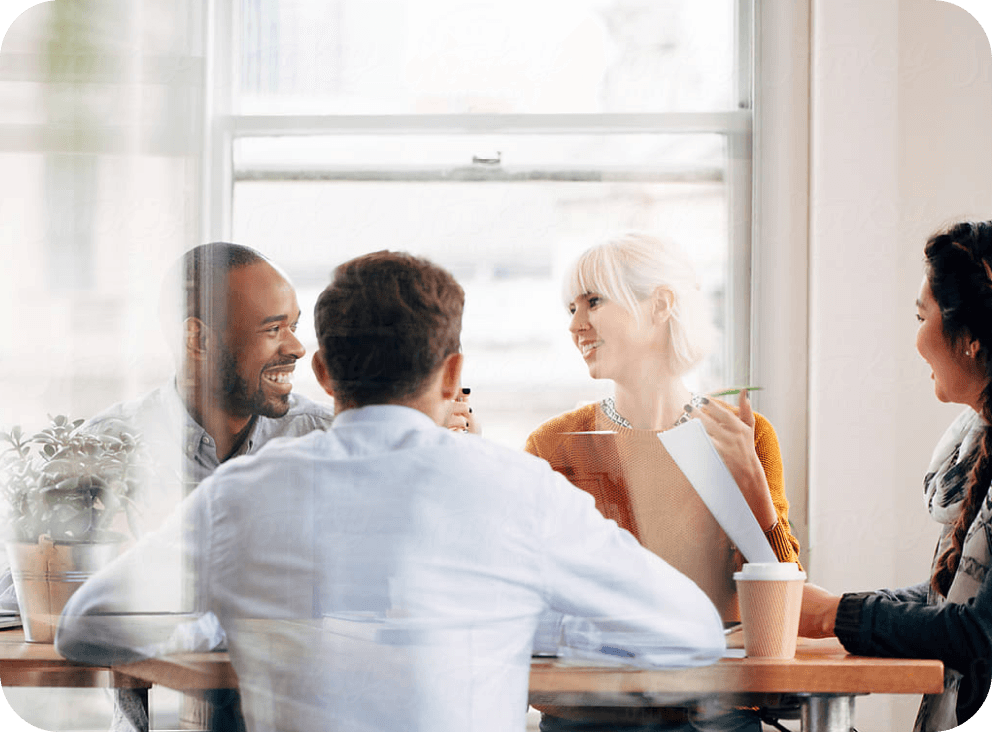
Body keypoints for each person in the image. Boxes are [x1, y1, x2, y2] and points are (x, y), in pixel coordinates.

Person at [56, 250, 726, 732]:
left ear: (322, 369)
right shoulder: (517, 489)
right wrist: (530, 626)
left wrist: (229, 619)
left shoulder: (239, 496)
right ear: (451, 371)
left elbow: (85, 628)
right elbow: (693, 634)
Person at [524, 232, 801, 731]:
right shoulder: (554, 445)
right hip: (589, 713)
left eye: (593, 301)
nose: (574, 324)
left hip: (714, 711)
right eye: (570, 307)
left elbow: (780, 603)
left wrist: (750, 483)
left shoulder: (744, 434)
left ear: (660, 306)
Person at [801, 220, 992, 732]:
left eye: (920, 315)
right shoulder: (980, 447)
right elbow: (946, 597)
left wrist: (831, 615)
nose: (915, 338)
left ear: (969, 337)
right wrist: (831, 609)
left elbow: (976, 631)